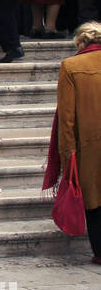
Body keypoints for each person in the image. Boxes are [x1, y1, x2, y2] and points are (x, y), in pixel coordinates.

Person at [46, 22, 101, 263]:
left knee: (94, 201)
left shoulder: (71, 66)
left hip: (88, 146)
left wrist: (67, 153)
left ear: (81, 43)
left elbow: (66, 117)